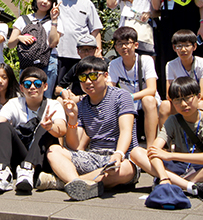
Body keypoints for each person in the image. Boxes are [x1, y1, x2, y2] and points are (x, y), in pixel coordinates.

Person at [45, 56, 140, 201]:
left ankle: (65, 182)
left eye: (93, 76)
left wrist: (119, 154)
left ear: (106, 75)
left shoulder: (122, 96)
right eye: (83, 78)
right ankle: (80, 184)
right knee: (54, 150)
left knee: (126, 169)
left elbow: (126, 131)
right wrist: (72, 118)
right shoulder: (82, 104)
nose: (88, 81)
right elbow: (75, 146)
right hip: (94, 156)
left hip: (120, 157)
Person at [130, 77, 203, 201]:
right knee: (136, 152)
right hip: (177, 167)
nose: (183, 104)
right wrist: (163, 174)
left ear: (198, 97)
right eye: (177, 100)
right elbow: (154, 150)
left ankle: (177, 183)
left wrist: (171, 156)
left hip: (201, 168)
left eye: (188, 98)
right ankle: (188, 186)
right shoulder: (173, 120)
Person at [0, 67, 67, 193]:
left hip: (40, 159)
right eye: (27, 84)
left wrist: (51, 127)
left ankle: (28, 169)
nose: (32, 87)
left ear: (45, 86)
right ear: (21, 88)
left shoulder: (53, 105)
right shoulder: (14, 103)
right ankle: (2, 172)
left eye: (37, 84)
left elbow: (62, 129)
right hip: (20, 156)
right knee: (3, 126)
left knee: (46, 128)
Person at [108, 27, 160, 146]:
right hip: (128, 101)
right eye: (119, 44)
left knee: (148, 100)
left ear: (136, 45)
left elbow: (151, 89)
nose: (124, 47)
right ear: (115, 47)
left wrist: (130, 97)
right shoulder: (114, 64)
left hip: (145, 99)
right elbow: (110, 88)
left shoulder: (146, 60)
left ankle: (151, 145)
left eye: (127, 43)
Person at [8, 0, 62, 98]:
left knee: (45, 98)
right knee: (27, 98)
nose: (45, 1)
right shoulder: (22, 20)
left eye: (50, 0)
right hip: (27, 63)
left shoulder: (56, 21)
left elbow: (53, 43)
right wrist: (19, 38)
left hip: (48, 63)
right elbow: (10, 44)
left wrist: (54, 20)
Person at [56, 0, 103, 83]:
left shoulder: (87, 3)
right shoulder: (54, 1)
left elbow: (96, 30)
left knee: (82, 88)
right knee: (58, 89)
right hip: (59, 54)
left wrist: (98, 51)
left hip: (82, 56)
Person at [159, 30, 203, 128]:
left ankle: (202, 138)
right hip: (179, 102)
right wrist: (182, 101)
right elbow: (169, 94)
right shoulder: (171, 65)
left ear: (194, 46)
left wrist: (187, 101)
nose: (183, 49)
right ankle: (165, 141)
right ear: (174, 48)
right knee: (165, 105)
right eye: (179, 46)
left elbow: (202, 94)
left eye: (187, 45)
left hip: (195, 102)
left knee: (202, 105)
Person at [55, 35, 103, 103]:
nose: (86, 53)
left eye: (89, 49)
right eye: (83, 50)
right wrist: (63, 91)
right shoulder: (76, 67)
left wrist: (81, 98)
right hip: (77, 101)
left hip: (96, 99)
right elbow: (58, 88)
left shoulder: (103, 65)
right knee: (59, 100)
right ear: (78, 51)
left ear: (96, 49)